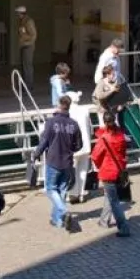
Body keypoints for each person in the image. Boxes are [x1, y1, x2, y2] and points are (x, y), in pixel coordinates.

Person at [33, 95, 83, 229]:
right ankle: (58, 220)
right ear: (69, 106)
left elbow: (43, 142)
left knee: (50, 189)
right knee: (62, 190)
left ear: (59, 105)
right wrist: (70, 149)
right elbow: (79, 145)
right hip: (67, 162)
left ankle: (64, 212)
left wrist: (36, 154)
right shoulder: (74, 124)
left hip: (53, 161)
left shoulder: (51, 122)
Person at [91, 110, 131, 237]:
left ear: (104, 122)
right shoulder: (121, 135)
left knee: (114, 201)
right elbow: (124, 152)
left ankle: (123, 227)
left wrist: (100, 166)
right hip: (119, 170)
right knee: (111, 197)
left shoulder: (104, 138)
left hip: (108, 171)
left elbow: (95, 156)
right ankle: (103, 220)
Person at [65, 91, 92, 204]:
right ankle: (81, 193)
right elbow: (90, 128)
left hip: (72, 147)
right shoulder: (85, 110)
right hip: (85, 145)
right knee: (83, 170)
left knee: (72, 171)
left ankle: (72, 193)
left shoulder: (67, 112)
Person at [16, 5, 37, 85]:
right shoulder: (22, 21)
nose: (17, 15)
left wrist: (26, 40)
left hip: (28, 46)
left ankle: (29, 84)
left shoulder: (28, 21)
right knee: (24, 66)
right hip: (23, 45)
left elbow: (33, 35)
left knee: (27, 66)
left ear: (21, 13)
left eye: (18, 13)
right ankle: (25, 84)